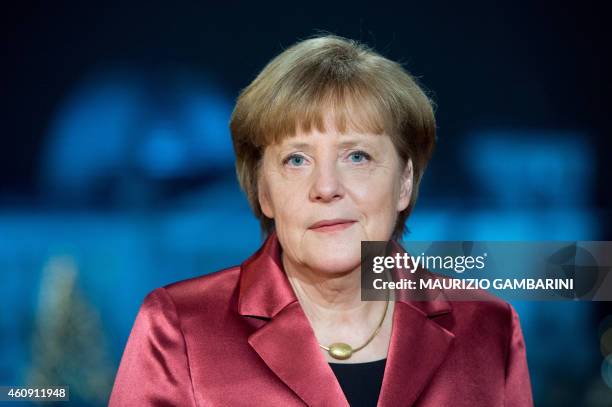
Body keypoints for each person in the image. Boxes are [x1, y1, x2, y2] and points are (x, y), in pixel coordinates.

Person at [109, 35, 533, 406]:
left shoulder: (488, 327)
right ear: (264, 191)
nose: (326, 187)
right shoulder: (177, 327)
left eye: (357, 156)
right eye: (297, 159)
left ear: (405, 183)